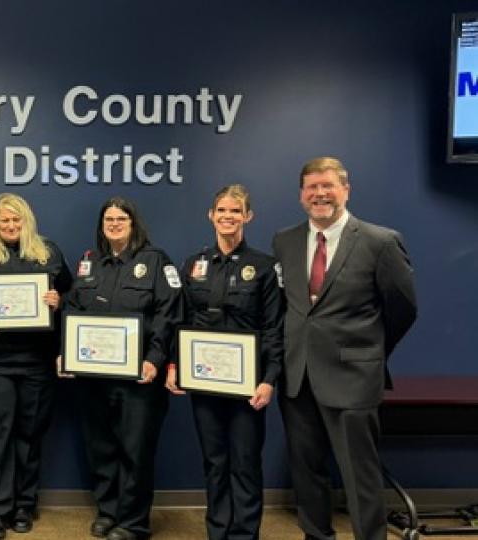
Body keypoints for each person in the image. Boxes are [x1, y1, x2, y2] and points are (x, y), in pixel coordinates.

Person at [272, 157, 417, 540]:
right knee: (306, 472)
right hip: (297, 377)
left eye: (328, 186)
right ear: (301, 195)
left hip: (353, 379)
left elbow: (403, 308)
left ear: (345, 190)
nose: (320, 194)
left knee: (360, 476)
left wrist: (368, 351)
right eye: (311, 187)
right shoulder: (284, 240)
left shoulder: (379, 241)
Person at [59, 196, 183, 540]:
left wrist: (155, 359)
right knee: (100, 446)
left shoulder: (155, 262)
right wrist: (65, 353)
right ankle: (108, 509)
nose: (114, 224)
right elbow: (72, 310)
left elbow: (168, 315)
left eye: (121, 219)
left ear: (133, 223)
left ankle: (132, 521)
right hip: (94, 376)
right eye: (108, 219)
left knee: (135, 450)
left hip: (139, 379)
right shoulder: (89, 263)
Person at [165, 185, 284, 540]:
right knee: (215, 462)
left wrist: (270, 379)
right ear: (211, 216)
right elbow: (181, 320)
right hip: (205, 381)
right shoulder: (194, 264)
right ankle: (217, 531)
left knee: (245, 463)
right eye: (222, 211)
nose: (228, 217)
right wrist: (174, 366)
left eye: (235, 211)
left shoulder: (264, 267)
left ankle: (244, 533)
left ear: (248, 216)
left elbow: (275, 328)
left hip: (248, 384)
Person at [0, 193, 72, 540]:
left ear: (26, 221)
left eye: (15, 220)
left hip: (36, 362)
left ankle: (23, 505)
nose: (9, 226)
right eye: (3, 220)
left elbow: (70, 292)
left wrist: (58, 300)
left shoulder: (48, 252)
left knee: (29, 436)